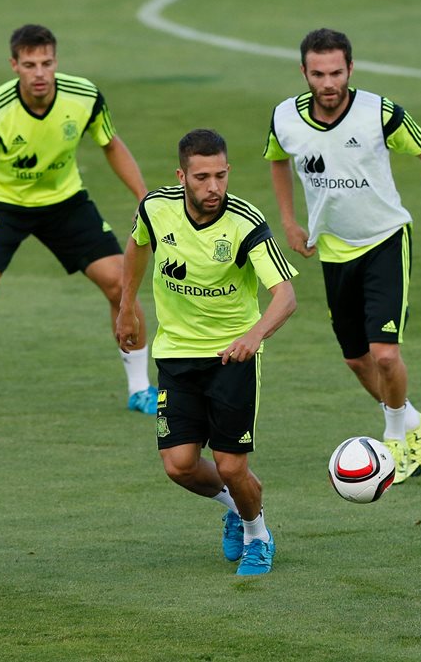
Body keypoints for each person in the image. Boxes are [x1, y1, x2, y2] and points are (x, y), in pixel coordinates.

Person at [0, 24, 153, 429]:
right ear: (14, 65)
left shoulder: (84, 97)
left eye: (47, 63)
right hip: (4, 203)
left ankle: (141, 388)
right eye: (30, 64)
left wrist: (143, 197)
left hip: (65, 201)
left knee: (120, 283)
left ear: (56, 62)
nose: (40, 73)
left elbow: (111, 144)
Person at [263, 28, 421, 483]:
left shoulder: (379, 112)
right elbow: (277, 160)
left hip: (386, 239)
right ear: (304, 73)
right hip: (333, 249)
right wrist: (290, 222)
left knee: (385, 354)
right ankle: (413, 420)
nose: (328, 83)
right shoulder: (285, 118)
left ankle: (396, 444)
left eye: (336, 72)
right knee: (356, 359)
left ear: (351, 68)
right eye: (318, 74)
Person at [117, 129, 297, 575]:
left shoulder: (245, 223)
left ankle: (258, 534)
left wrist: (253, 337)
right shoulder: (155, 209)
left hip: (231, 357)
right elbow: (138, 244)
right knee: (179, 466)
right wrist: (127, 305)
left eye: (220, 175)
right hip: (176, 354)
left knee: (232, 466)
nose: (213, 187)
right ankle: (237, 507)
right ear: (182, 176)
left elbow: (285, 296)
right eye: (201, 178)